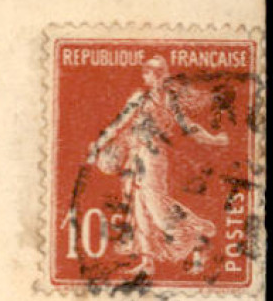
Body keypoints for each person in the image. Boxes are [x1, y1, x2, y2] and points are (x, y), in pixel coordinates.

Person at [86, 55, 230, 280]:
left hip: (154, 158)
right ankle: (147, 262)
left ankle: (196, 233)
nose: (147, 76)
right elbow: (119, 122)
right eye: (146, 72)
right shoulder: (139, 98)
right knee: (139, 208)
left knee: (157, 208)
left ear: (161, 75)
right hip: (135, 156)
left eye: (152, 72)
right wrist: (99, 143)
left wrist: (214, 139)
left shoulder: (169, 100)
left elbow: (188, 126)